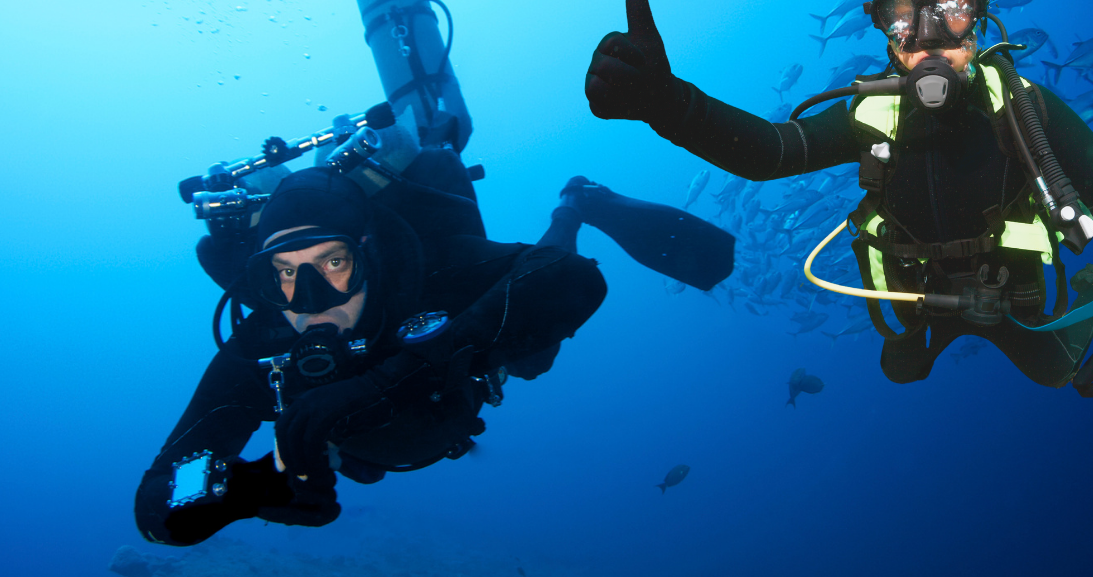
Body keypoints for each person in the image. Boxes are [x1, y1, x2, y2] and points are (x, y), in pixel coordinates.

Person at [584, 0, 1093, 398]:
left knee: (1053, 371)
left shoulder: (1023, 106)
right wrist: (667, 105)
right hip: (919, 300)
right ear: (886, 34)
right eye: (905, 17)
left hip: (1016, 297)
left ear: (978, 23)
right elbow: (768, 152)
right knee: (902, 373)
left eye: (952, 11)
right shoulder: (871, 114)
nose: (929, 37)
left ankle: (1085, 293)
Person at [135, 151, 732, 545]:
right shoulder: (260, 346)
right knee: (363, 464)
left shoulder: (432, 272)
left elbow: (571, 280)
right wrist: (249, 492)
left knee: (533, 360)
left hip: (463, 367)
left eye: (333, 263)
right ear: (260, 281)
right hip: (384, 441)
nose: (310, 297)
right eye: (285, 274)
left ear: (367, 253)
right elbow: (160, 501)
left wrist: (388, 382)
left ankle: (575, 205)